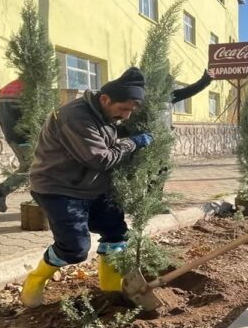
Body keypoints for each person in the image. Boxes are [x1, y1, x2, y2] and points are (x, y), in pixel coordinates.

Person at [20, 67, 154, 307]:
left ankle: (110, 292)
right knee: (74, 249)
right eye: (123, 109)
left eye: (131, 111)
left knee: (116, 232)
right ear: (105, 99)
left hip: (92, 187)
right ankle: (35, 279)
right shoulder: (75, 117)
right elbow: (100, 159)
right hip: (59, 188)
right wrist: (131, 143)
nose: (126, 116)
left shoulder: (104, 114)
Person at [0, 79, 32, 212]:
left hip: (12, 135)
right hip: (28, 137)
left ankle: (0, 193)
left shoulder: (6, 88)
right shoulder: (33, 87)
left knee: (30, 168)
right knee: (33, 168)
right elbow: (38, 117)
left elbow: (0, 116)